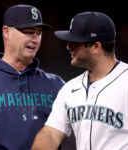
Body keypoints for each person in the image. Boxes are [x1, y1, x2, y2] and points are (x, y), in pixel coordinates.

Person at [31, 11, 128, 150]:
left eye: (75, 42)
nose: (68, 46)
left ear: (96, 47)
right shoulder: (69, 88)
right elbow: (51, 134)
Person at [0, 4, 65, 150]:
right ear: (6, 32)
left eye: (38, 33)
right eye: (28, 32)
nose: (35, 39)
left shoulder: (56, 84)